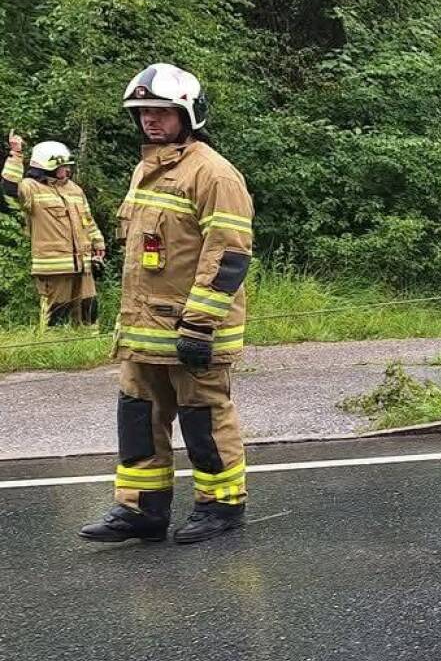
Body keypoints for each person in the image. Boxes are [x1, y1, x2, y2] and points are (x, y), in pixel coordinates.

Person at [79, 63, 255, 545]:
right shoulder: (146, 170)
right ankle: (141, 510)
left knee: (204, 417)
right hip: (143, 332)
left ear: (187, 114)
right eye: (142, 112)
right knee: (138, 417)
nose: (150, 120)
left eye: (160, 111)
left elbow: (229, 254)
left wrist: (200, 325)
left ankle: (221, 505)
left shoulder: (214, 174)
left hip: (191, 330)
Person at [2, 132, 106, 330]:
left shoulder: (74, 189)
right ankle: (54, 347)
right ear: (46, 166)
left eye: (67, 166)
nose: (67, 170)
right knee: (57, 314)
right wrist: (16, 154)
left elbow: (88, 220)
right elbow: (9, 188)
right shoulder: (31, 188)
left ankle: (89, 348)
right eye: (62, 166)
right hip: (54, 267)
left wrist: (98, 243)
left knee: (89, 308)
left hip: (83, 265)